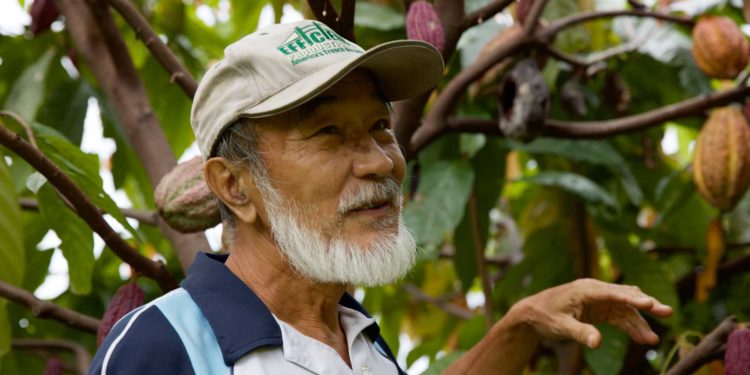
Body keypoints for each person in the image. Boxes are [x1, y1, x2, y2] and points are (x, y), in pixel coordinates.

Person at [89, 20, 672, 374]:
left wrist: (519, 326)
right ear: (235, 187)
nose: (379, 162)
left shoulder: (353, 335)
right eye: (327, 134)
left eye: (379, 128)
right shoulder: (163, 348)